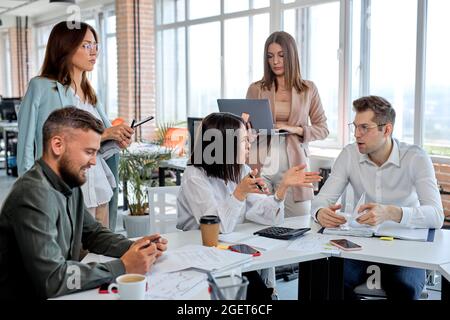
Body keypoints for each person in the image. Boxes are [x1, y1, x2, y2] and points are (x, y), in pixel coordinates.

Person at [0, 107, 167, 299]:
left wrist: (135, 247)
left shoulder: (68, 182)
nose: (94, 162)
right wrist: (123, 266)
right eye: (89, 152)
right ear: (57, 145)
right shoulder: (32, 194)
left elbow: (93, 234)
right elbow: (53, 279)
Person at [310, 96, 444, 300]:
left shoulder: (416, 158)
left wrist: (391, 212)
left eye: (365, 127)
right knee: (327, 279)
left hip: (405, 247)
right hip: (360, 244)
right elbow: (321, 201)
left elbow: (436, 215)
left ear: (387, 130)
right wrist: (320, 213)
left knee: (405, 287)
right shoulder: (349, 155)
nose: (356, 134)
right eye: (355, 127)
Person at [176, 112, 321, 299]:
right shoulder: (195, 176)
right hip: (200, 256)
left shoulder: (240, 170)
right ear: (225, 145)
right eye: (244, 140)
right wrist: (240, 193)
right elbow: (217, 228)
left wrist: (282, 189)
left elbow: (264, 215)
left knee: (259, 290)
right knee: (256, 292)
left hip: (231, 250)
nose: (249, 145)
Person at [17, 21, 133, 230]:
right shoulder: (41, 87)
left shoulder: (90, 94)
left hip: (99, 189)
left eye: (95, 45)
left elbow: (98, 149)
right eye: (86, 45)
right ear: (66, 47)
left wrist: (116, 140)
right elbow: (26, 146)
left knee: (100, 258)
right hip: (65, 191)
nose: (94, 52)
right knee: (71, 258)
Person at [246, 31, 329, 218]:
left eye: (281, 55)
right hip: (261, 163)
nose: (275, 61)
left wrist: (296, 129)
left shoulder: (308, 89)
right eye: (270, 56)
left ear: (291, 56)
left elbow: (322, 128)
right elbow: (245, 126)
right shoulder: (256, 88)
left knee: (299, 222)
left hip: (294, 167)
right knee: (258, 221)